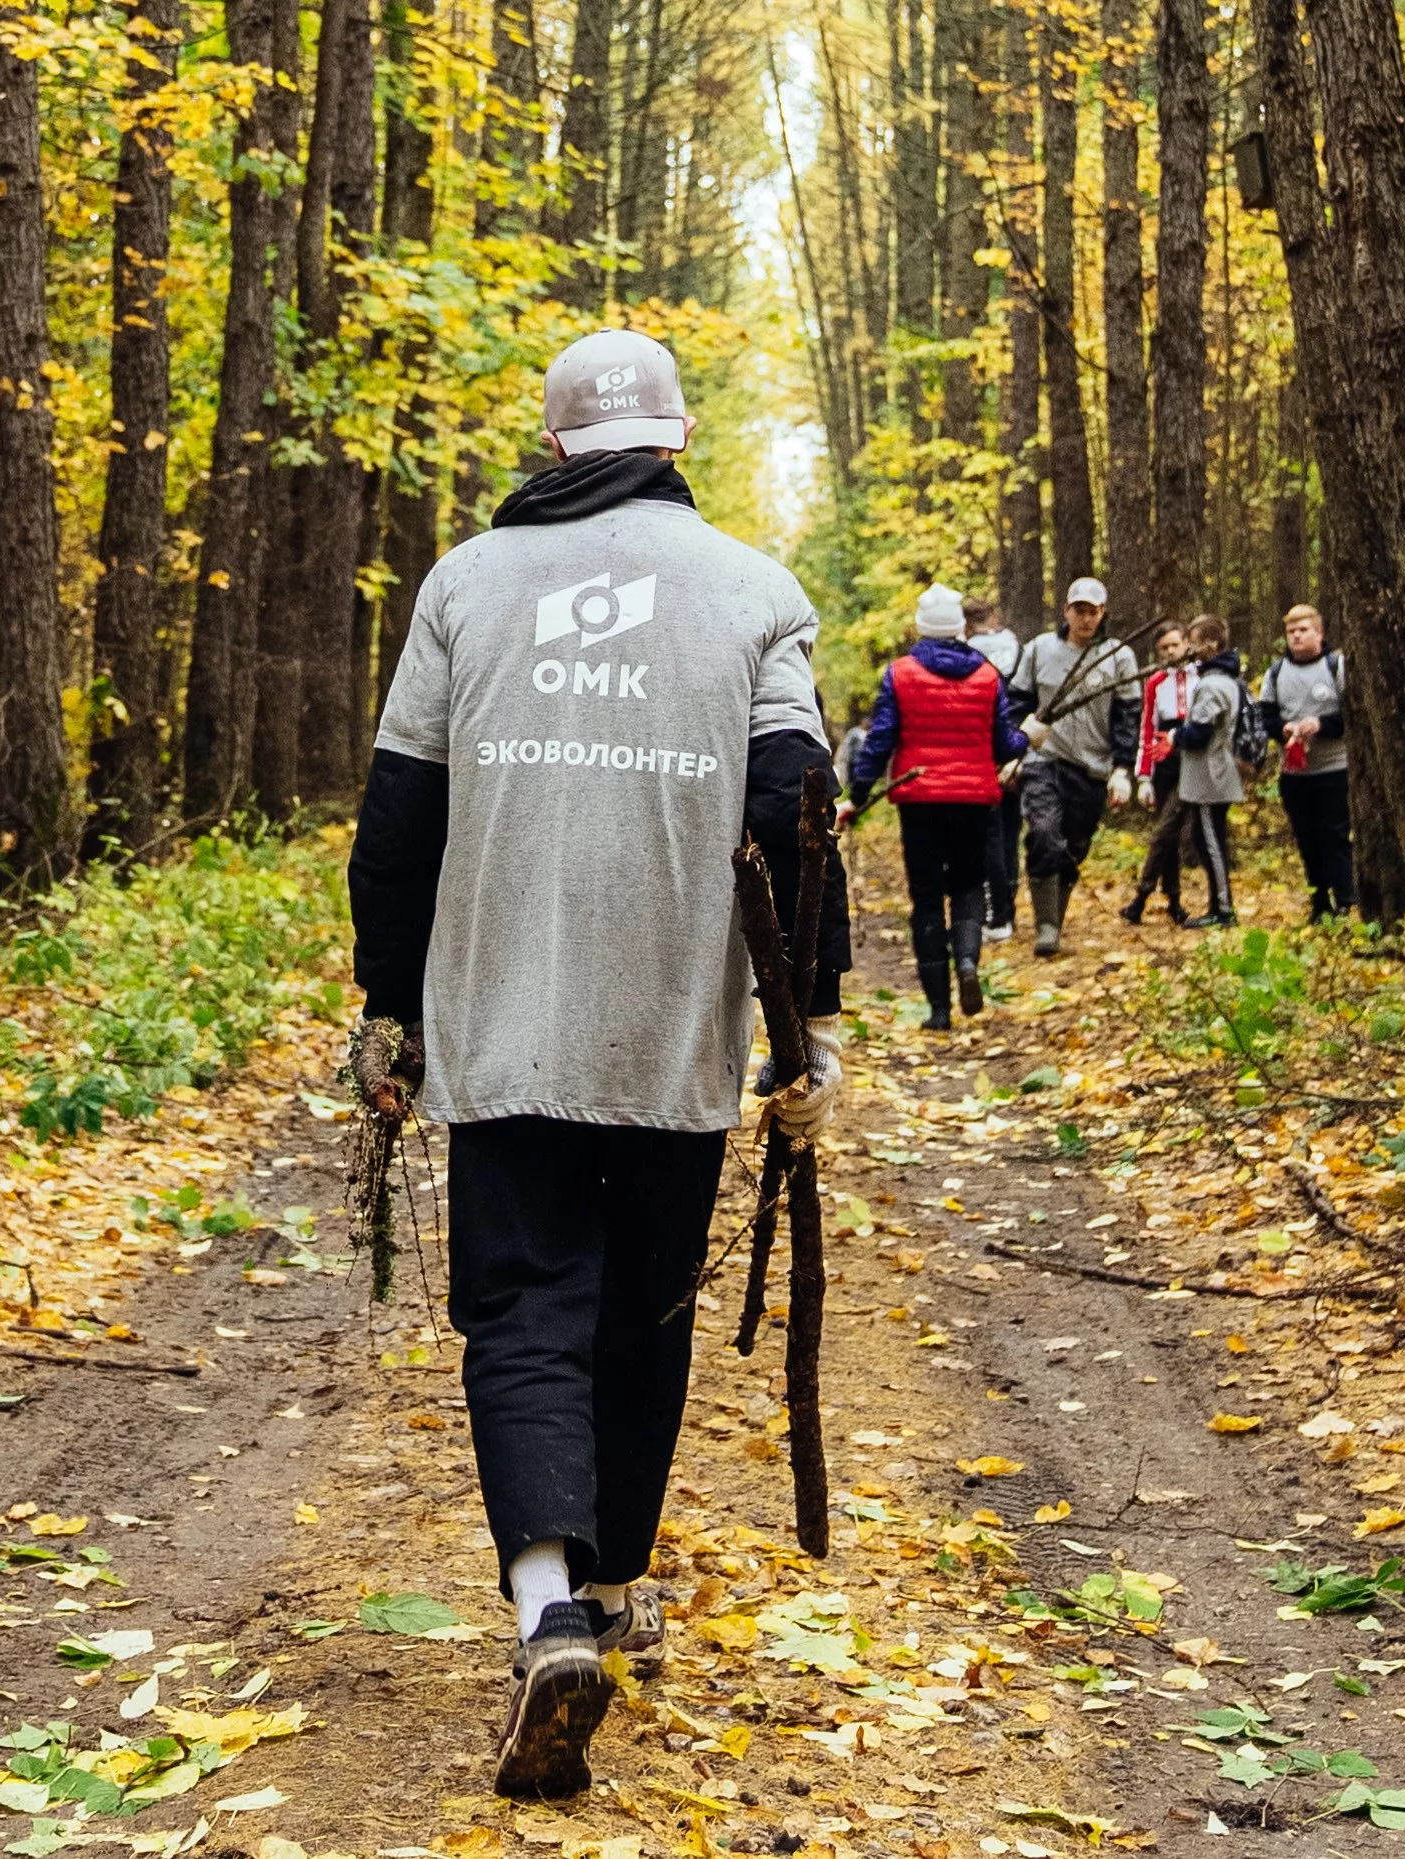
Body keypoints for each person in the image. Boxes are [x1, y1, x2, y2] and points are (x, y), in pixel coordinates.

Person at [343, 329, 851, 1800]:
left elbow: (399, 818)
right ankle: (615, 1587)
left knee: (518, 1309)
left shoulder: (463, 584)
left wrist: (393, 1006)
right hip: (673, 1029)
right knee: (640, 1311)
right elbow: (795, 815)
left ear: (553, 445)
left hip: (501, 1023)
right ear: (676, 440)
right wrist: (803, 1027)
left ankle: (546, 1605)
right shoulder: (756, 593)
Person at [848, 584, 1029, 1026]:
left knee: (926, 898)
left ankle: (938, 1010)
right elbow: (1005, 745)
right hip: (973, 800)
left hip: (920, 800)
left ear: (922, 626)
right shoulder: (987, 676)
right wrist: (1029, 738)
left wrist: (857, 794)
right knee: (968, 886)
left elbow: (880, 740)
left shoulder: (901, 673)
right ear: (961, 627)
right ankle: (967, 962)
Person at [1011, 577, 1138, 953]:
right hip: (1043, 761)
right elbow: (1016, 701)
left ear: (1102, 614)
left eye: (1093, 611)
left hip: (1093, 767)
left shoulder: (1119, 656)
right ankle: (1045, 930)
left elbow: (1127, 716)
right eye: (1079, 610)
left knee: (1074, 846)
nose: (1085, 618)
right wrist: (1017, 745)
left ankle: (1056, 919)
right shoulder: (1039, 650)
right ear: (1066, 611)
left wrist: (1122, 769)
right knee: (1044, 835)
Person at [1123, 616, 1240, 928]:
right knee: (1168, 834)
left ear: (1187, 644)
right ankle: (1172, 899)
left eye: (1176, 644)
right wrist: (1144, 776)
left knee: (1185, 832)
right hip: (1167, 761)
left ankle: (1143, 897)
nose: (1171, 651)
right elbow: (1148, 728)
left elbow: (1207, 724)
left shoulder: (1204, 677)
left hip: (1195, 756)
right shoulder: (1155, 682)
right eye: (1164, 648)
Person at [1258, 604, 1357, 922]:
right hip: (1295, 773)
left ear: (1319, 632)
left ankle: (1346, 901)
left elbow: (1352, 716)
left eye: (1303, 630)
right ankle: (1319, 905)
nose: (1297, 636)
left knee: (1336, 836)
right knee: (1307, 838)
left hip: (1334, 768)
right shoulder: (1275, 673)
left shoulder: (1336, 666)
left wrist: (1321, 725)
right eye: (1291, 631)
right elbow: (1266, 719)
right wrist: (1284, 729)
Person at [964, 594, 1025, 941]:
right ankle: (1009, 903)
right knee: (1011, 833)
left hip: (985, 754)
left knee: (991, 837)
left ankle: (998, 914)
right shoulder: (1018, 648)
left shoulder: (971, 655)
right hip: (1016, 750)